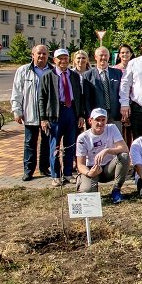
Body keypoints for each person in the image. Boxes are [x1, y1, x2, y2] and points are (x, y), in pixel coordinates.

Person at [39, 48, 87, 186]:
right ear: (54, 60)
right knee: (54, 146)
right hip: (55, 114)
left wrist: (80, 115)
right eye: (60, 58)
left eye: (65, 58)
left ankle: (67, 173)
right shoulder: (48, 76)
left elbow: (79, 97)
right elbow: (42, 98)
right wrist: (43, 118)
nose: (63, 61)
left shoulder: (74, 75)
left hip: (71, 111)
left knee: (70, 145)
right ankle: (56, 175)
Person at [11, 44, 54, 181]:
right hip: (30, 113)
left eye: (44, 54)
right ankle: (28, 170)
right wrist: (17, 110)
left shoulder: (53, 71)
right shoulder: (23, 71)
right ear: (32, 55)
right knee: (30, 143)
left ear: (48, 55)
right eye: (39, 53)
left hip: (48, 115)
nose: (41, 56)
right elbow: (17, 92)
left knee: (46, 143)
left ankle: (44, 168)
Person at [75, 108, 131, 203]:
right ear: (90, 121)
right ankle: (85, 183)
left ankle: (116, 189)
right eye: (97, 120)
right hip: (92, 168)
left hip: (108, 168)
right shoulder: (83, 138)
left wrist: (107, 150)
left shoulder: (112, 128)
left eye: (103, 120)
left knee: (124, 156)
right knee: (87, 193)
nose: (100, 123)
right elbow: (80, 164)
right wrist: (89, 173)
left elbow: (125, 149)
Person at [83, 46, 123, 128]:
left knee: (115, 136)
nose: (103, 58)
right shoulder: (88, 75)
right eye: (101, 55)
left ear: (109, 57)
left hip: (115, 115)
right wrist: (89, 115)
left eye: (106, 55)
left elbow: (122, 93)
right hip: (97, 116)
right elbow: (86, 98)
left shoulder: (118, 73)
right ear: (95, 57)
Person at [112, 44, 135, 146]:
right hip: (119, 103)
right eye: (122, 53)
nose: (125, 55)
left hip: (133, 102)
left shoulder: (136, 67)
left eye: (127, 52)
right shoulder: (114, 69)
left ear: (131, 54)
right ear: (119, 55)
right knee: (121, 130)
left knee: (131, 130)